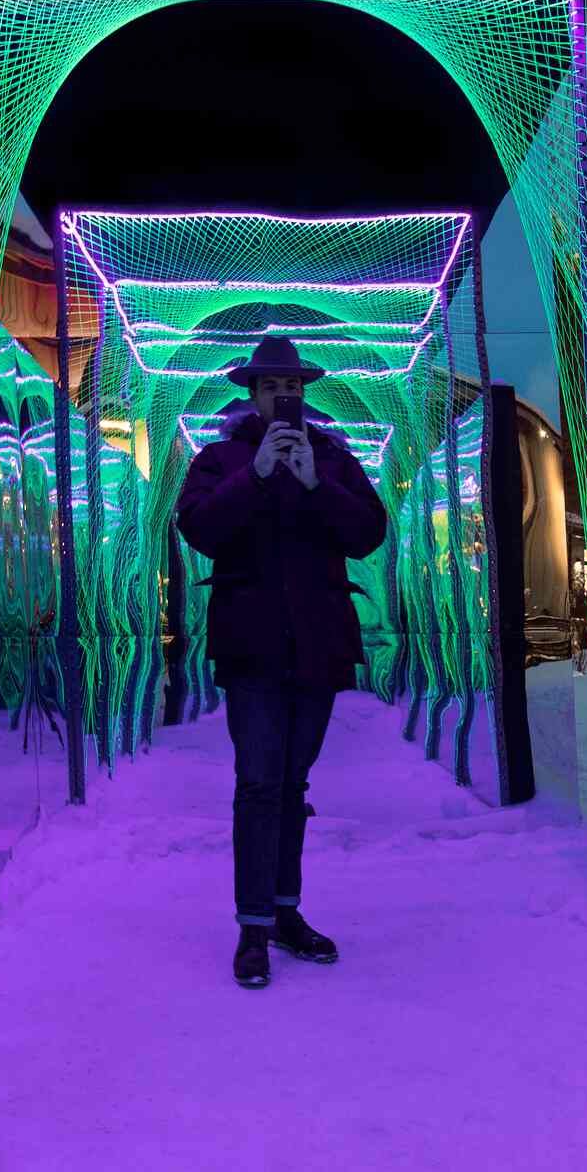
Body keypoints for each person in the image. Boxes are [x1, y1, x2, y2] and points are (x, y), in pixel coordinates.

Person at [176, 335, 388, 990]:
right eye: (270, 387)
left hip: (318, 646)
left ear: (303, 393)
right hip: (251, 647)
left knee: (292, 785)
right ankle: (252, 927)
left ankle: (285, 913)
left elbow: (367, 533)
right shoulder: (220, 459)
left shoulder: (333, 459)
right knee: (259, 783)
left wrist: (315, 484)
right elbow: (199, 529)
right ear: (252, 394)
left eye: (291, 387)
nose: (282, 396)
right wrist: (258, 474)